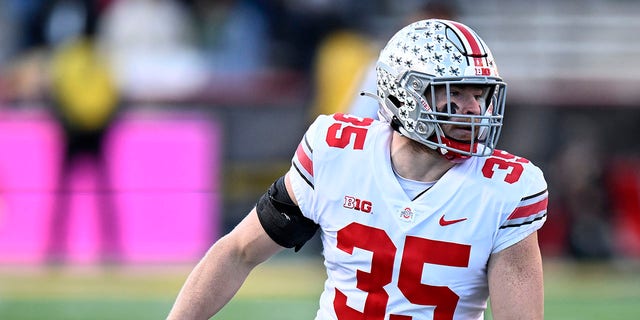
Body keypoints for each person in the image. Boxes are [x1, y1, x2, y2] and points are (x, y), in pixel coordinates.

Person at [167, 19, 548, 320]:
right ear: (404, 92)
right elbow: (237, 252)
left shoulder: (507, 191)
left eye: (479, 95)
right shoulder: (337, 153)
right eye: (455, 93)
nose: (473, 109)